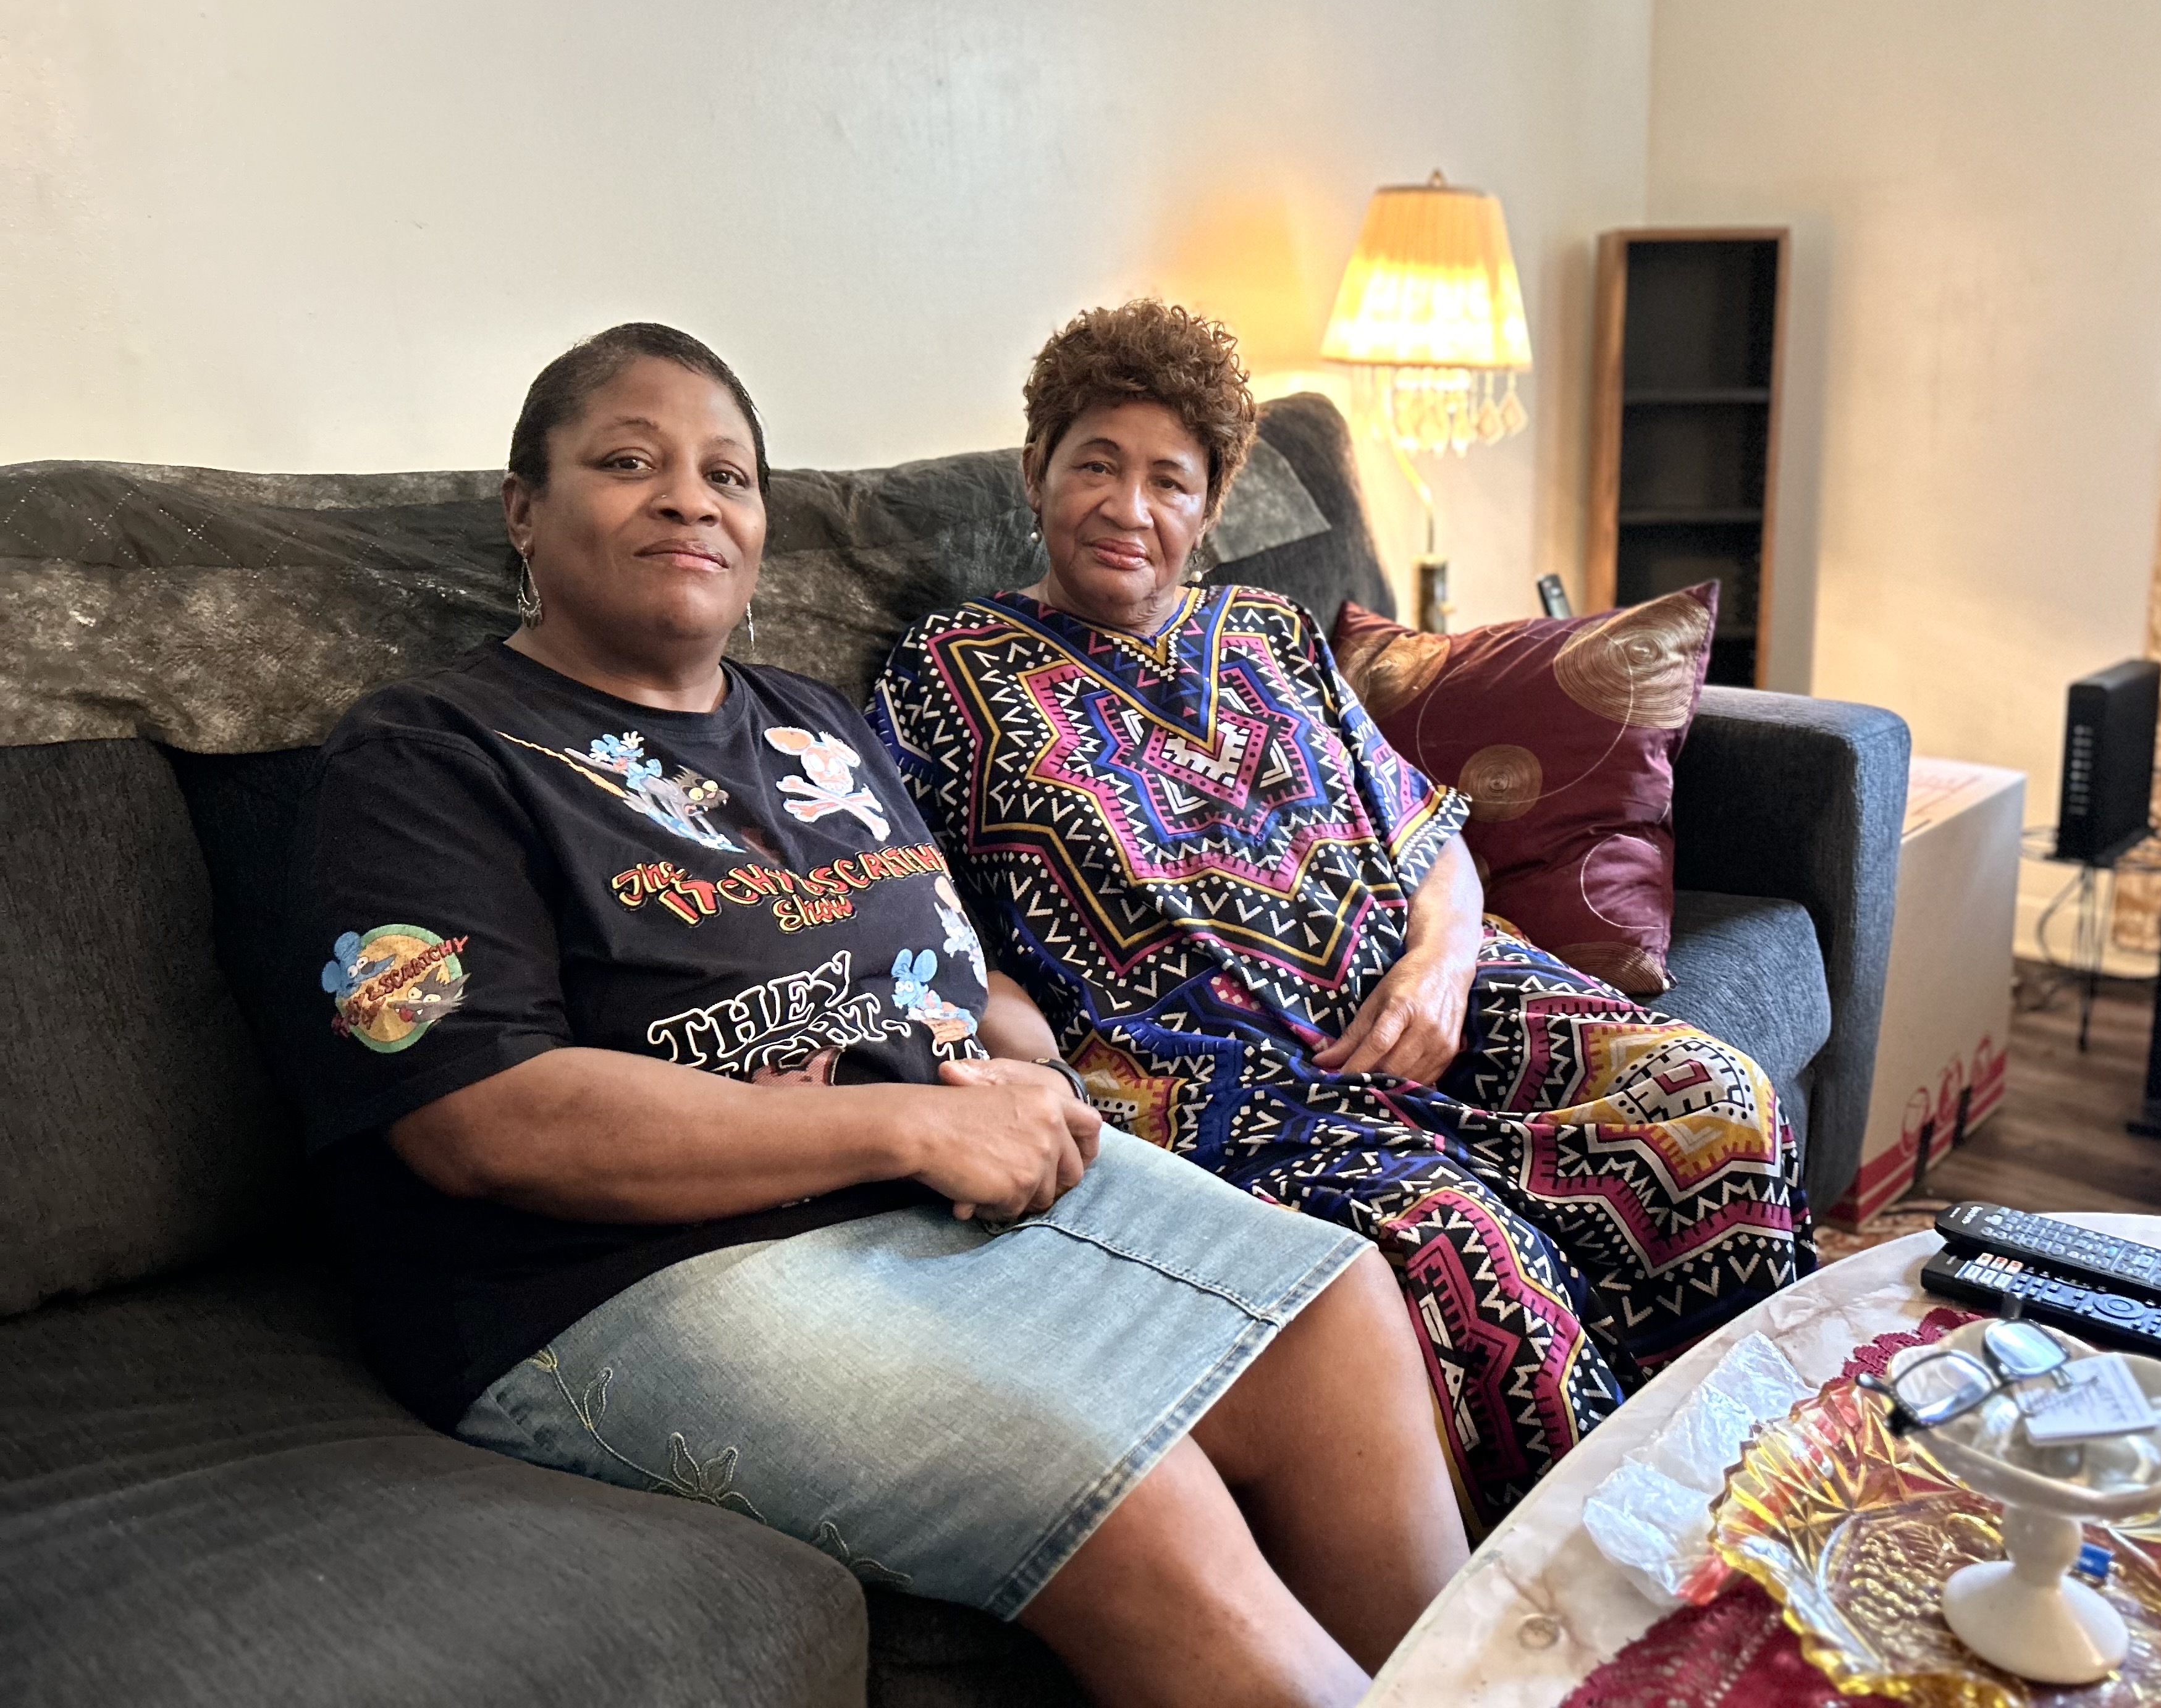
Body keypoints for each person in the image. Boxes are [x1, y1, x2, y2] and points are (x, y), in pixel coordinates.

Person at [280, 322, 1467, 1708]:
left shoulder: (814, 727)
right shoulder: (431, 752)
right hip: (619, 1277)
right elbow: (482, 1122)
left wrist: (1021, 1062)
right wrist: (899, 1119)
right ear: (523, 513)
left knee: (1337, 1302)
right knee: (1132, 1490)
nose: (689, 498)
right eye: (628, 461)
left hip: (918, 1196)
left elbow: (947, 976)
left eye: (728, 475)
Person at [872, 301, 1813, 1529]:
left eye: (1170, 478)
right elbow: (915, 913)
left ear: (1207, 511)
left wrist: (1440, 963)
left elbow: (1432, 833)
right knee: (1475, 1269)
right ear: (1038, 470)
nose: (1128, 505)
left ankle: (1749, 1486)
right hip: (1213, 1076)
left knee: (1711, 1105)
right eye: (1095, 462)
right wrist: (1018, 1054)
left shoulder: (1267, 633)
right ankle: (1592, 1588)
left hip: (1435, 996)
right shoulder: (952, 665)